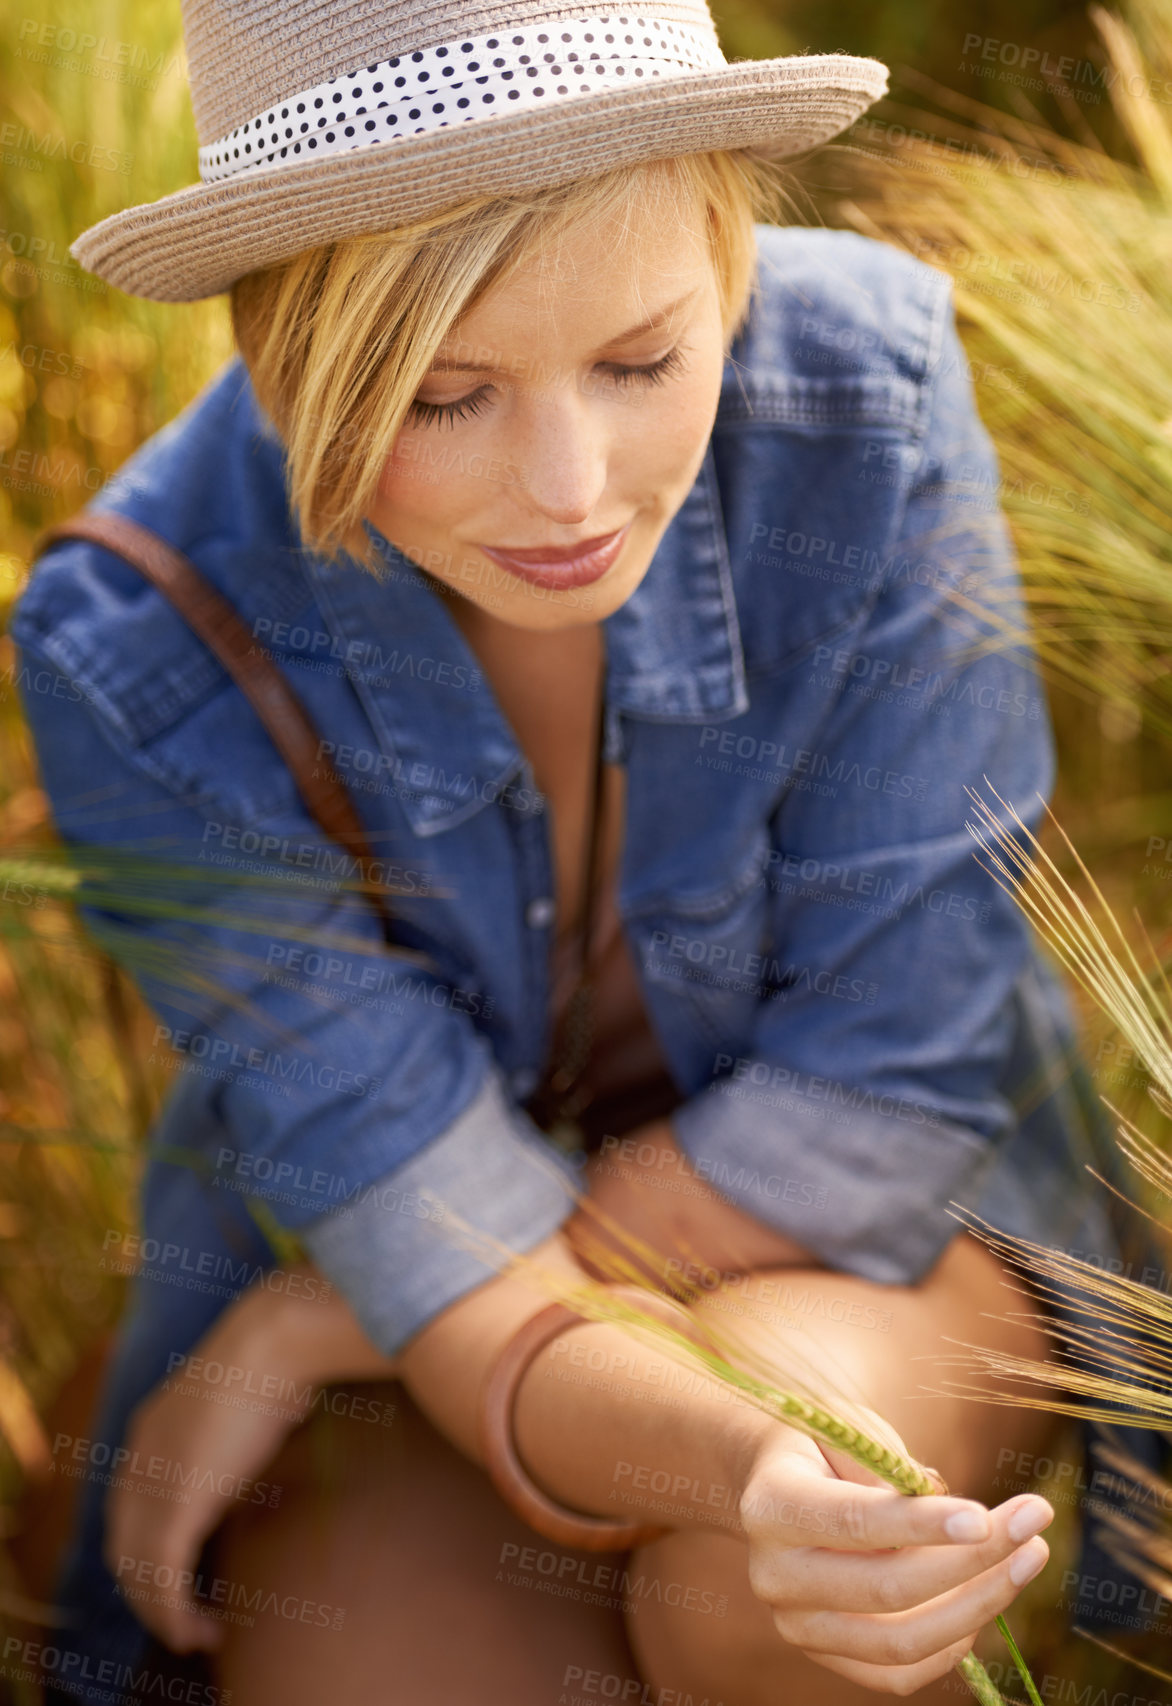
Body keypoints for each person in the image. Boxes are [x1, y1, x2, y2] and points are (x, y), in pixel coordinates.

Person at [9, 2, 1134, 1700]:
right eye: (446, 395)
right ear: (282, 354)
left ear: (727, 262)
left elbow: (895, 1074)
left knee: (762, 1549)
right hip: (444, 1332)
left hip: (880, 1221)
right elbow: (404, 1197)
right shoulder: (133, 637)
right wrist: (444, 1288)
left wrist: (358, 1304)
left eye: (641, 360)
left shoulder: (870, 402)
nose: (569, 487)